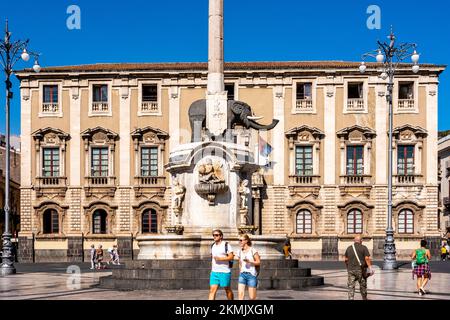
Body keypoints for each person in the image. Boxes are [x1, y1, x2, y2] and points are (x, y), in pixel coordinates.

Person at [344, 235, 373, 300]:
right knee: (363, 286)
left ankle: (351, 298)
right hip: (361, 270)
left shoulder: (349, 248)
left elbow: (346, 259)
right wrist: (370, 268)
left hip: (351, 270)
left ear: (354, 241)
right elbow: (367, 258)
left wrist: (348, 268)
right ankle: (364, 298)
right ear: (361, 241)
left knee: (351, 286)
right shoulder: (363, 247)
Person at [208, 229, 234, 300]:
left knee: (227, 290)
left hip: (224, 271)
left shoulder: (226, 245)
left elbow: (231, 256)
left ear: (221, 236)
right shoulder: (213, 245)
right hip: (214, 272)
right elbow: (212, 259)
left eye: (216, 235)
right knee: (212, 290)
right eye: (213, 235)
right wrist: (211, 270)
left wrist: (220, 259)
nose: (214, 236)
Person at [236, 234, 261, 300]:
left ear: (246, 241)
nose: (239, 242)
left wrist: (250, 261)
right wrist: (240, 271)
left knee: (252, 297)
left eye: (241, 240)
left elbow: (258, 262)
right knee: (240, 296)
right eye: (239, 240)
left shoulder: (253, 250)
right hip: (242, 274)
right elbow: (240, 263)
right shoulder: (239, 251)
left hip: (251, 275)